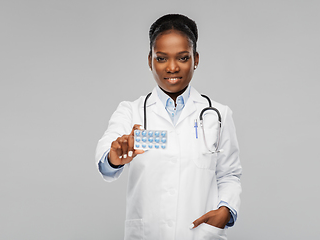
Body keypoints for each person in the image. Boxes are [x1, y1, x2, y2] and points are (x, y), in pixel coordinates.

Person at [95, 14, 242, 240]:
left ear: (196, 59)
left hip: (199, 234)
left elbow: (229, 174)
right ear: (149, 60)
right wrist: (114, 157)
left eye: (182, 58)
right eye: (161, 58)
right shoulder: (131, 111)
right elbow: (106, 161)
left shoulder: (218, 114)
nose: (172, 68)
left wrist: (225, 211)